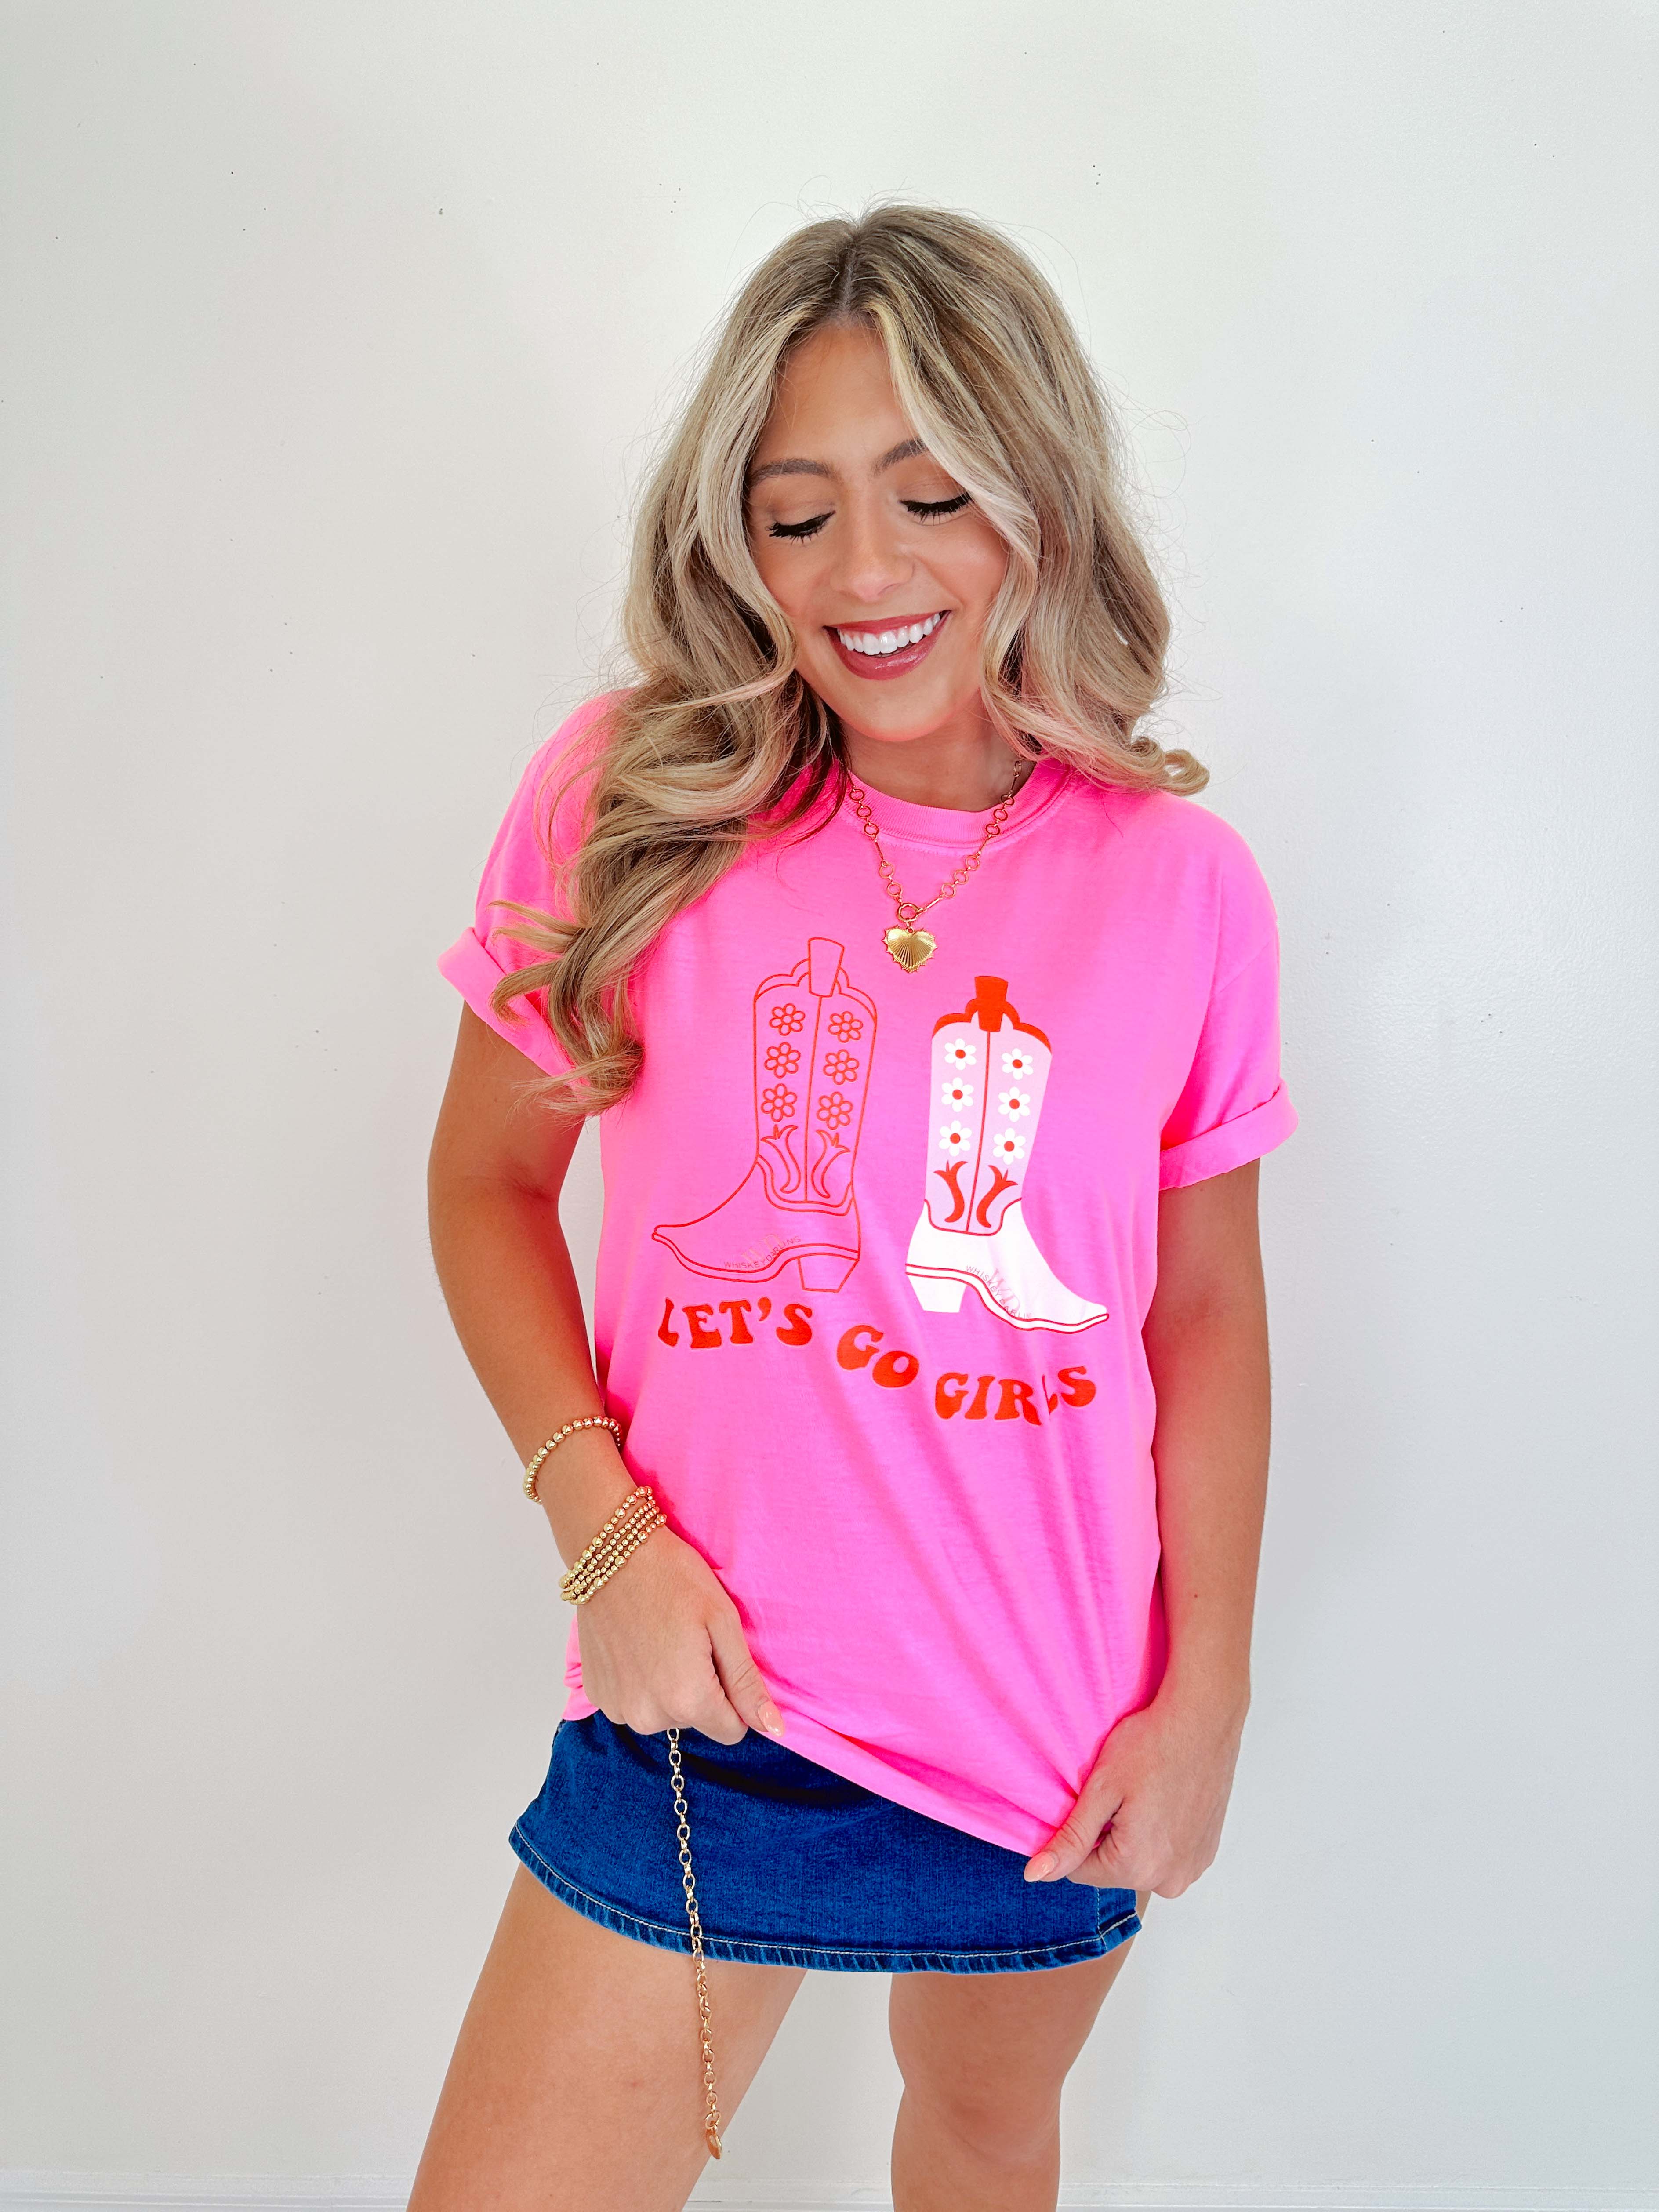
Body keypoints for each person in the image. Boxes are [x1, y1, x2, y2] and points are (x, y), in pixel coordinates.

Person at [410, 203, 1296, 2212]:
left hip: (1040, 1725)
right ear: (735, 541)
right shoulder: (637, 797)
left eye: (929, 495)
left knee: (980, 2133)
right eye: (795, 514)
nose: (864, 574)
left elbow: (1202, 1312)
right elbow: (483, 1183)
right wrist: (602, 1536)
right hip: (697, 1697)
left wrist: (1204, 1697)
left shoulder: (1178, 885)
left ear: (1037, 501)